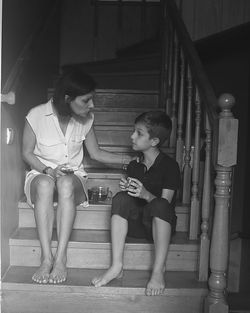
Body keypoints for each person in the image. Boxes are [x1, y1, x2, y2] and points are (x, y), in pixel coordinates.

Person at [22, 69, 131, 284]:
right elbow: (26, 152)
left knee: (64, 184)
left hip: (72, 180)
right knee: (45, 184)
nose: (92, 106)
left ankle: (61, 258)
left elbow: (97, 153)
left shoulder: (86, 119)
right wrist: (48, 170)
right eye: (87, 100)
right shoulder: (36, 115)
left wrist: (130, 161)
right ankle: (46, 258)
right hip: (40, 174)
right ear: (67, 98)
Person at [91, 111, 181, 296]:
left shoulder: (170, 166)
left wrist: (146, 194)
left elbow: (166, 206)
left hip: (159, 227)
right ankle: (116, 266)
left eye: (139, 133)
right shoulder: (134, 166)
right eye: (134, 131)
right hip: (136, 224)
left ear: (154, 141)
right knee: (120, 198)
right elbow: (132, 199)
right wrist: (128, 189)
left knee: (160, 204)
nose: (132, 136)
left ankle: (158, 271)